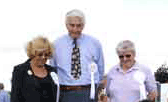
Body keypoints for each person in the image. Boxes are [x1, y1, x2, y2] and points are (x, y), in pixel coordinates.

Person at [50, 9, 104, 102]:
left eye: (79, 25)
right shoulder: (56, 45)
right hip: (65, 93)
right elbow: (53, 69)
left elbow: (100, 69)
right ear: (66, 25)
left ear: (83, 25)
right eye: (72, 25)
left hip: (88, 93)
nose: (75, 29)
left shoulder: (95, 43)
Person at [11, 36, 58, 102]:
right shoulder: (20, 70)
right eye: (40, 54)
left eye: (46, 54)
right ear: (32, 54)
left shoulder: (52, 71)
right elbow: (15, 97)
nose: (43, 57)